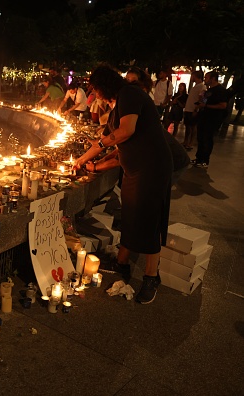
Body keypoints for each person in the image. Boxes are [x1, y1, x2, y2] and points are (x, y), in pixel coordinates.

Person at [75, 65, 173, 304]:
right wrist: (82, 161)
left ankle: (151, 277)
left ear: (105, 86)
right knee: (129, 217)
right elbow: (104, 144)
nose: (95, 95)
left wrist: (102, 142)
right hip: (134, 172)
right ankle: (122, 264)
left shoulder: (130, 94)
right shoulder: (120, 106)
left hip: (152, 169)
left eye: (96, 89)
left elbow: (125, 132)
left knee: (148, 221)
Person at [192, 71, 229, 168]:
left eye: (206, 77)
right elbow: (203, 102)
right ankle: (198, 158)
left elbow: (223, 105)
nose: (205, 79)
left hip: (213, 119)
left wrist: (206, 105)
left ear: (213, 79)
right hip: (203, 117)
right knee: (200, 137)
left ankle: (205, 160)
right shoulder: (208, 90)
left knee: (207, 138)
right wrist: (198, 106)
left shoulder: (221, 91)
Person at [182, 70, 206, 150]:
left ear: (196, 76)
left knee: (193, 127)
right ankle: (185, 141)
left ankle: (191, 142)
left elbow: (202, 99)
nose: (191, 77)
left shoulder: (202, 86)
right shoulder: (195, 86)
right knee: (188, 126)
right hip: (188, 109)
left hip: (193, 109)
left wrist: (196, 109)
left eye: (192, 76)